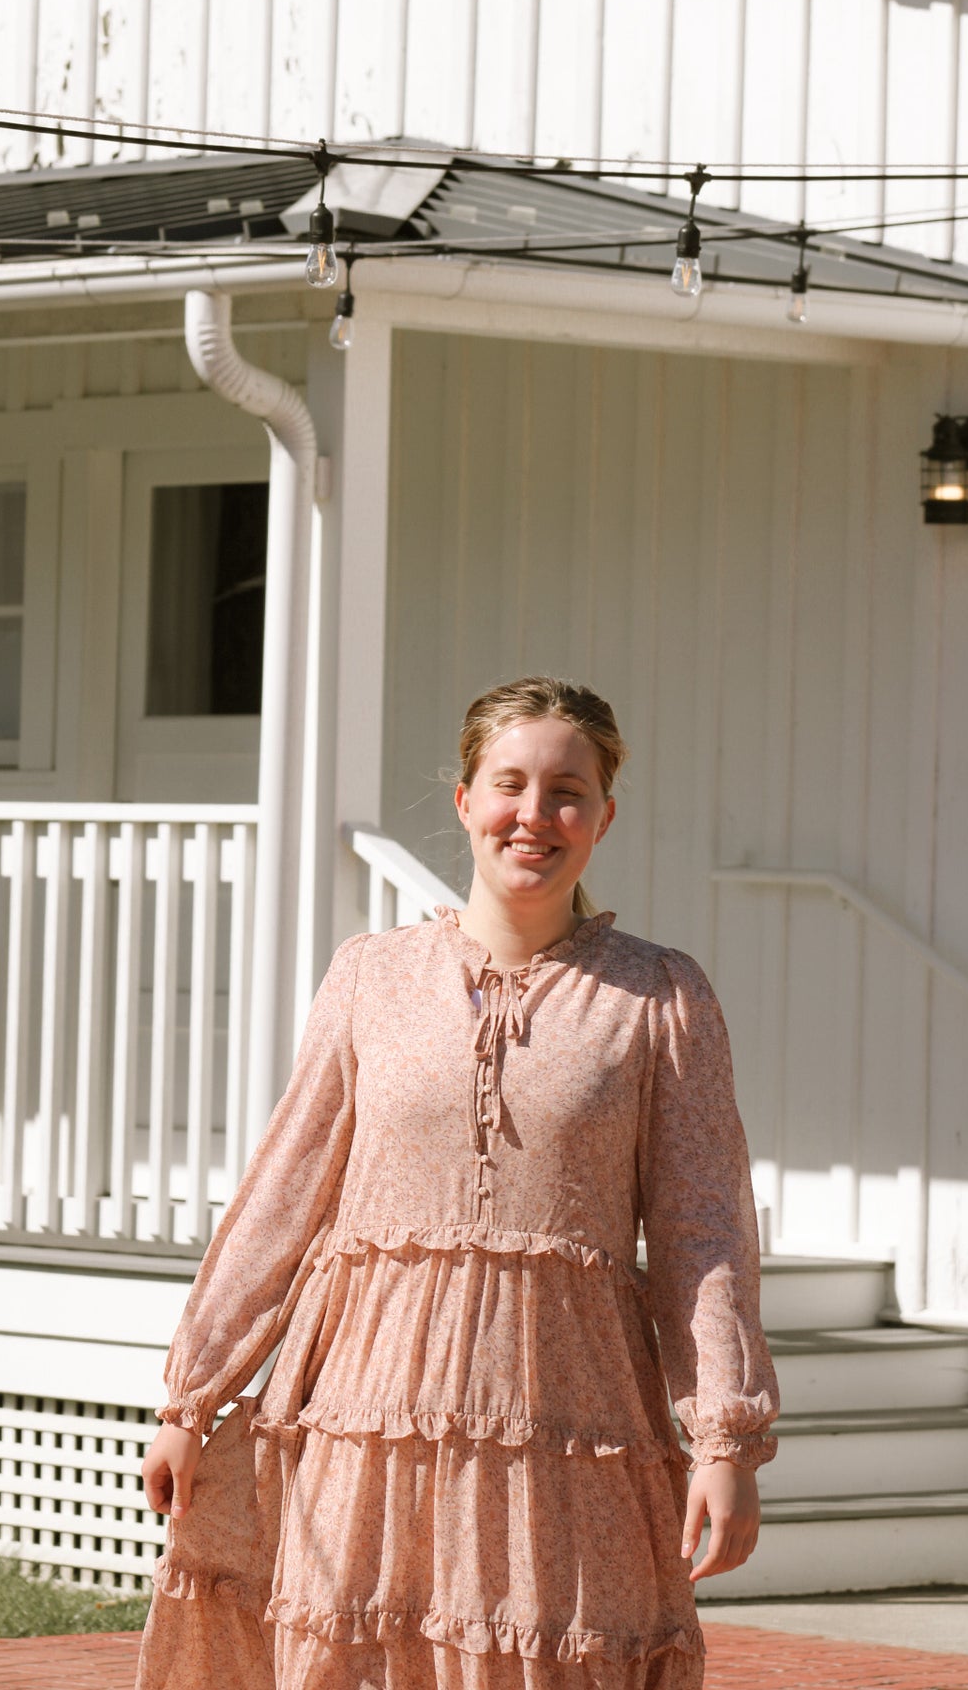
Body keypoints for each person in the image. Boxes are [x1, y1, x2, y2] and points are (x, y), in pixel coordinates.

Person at [135, 675, 780, 1690]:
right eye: (510, 784)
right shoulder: (370, 978)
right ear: (466, 801)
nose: (536, 815)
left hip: (567, 1429)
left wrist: (724, 1443)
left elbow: (703, 1242)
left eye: (567, 791)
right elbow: (286, 1190)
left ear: (604, 816)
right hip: (369, 1418)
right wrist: (196, 1394)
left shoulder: (661, 998)